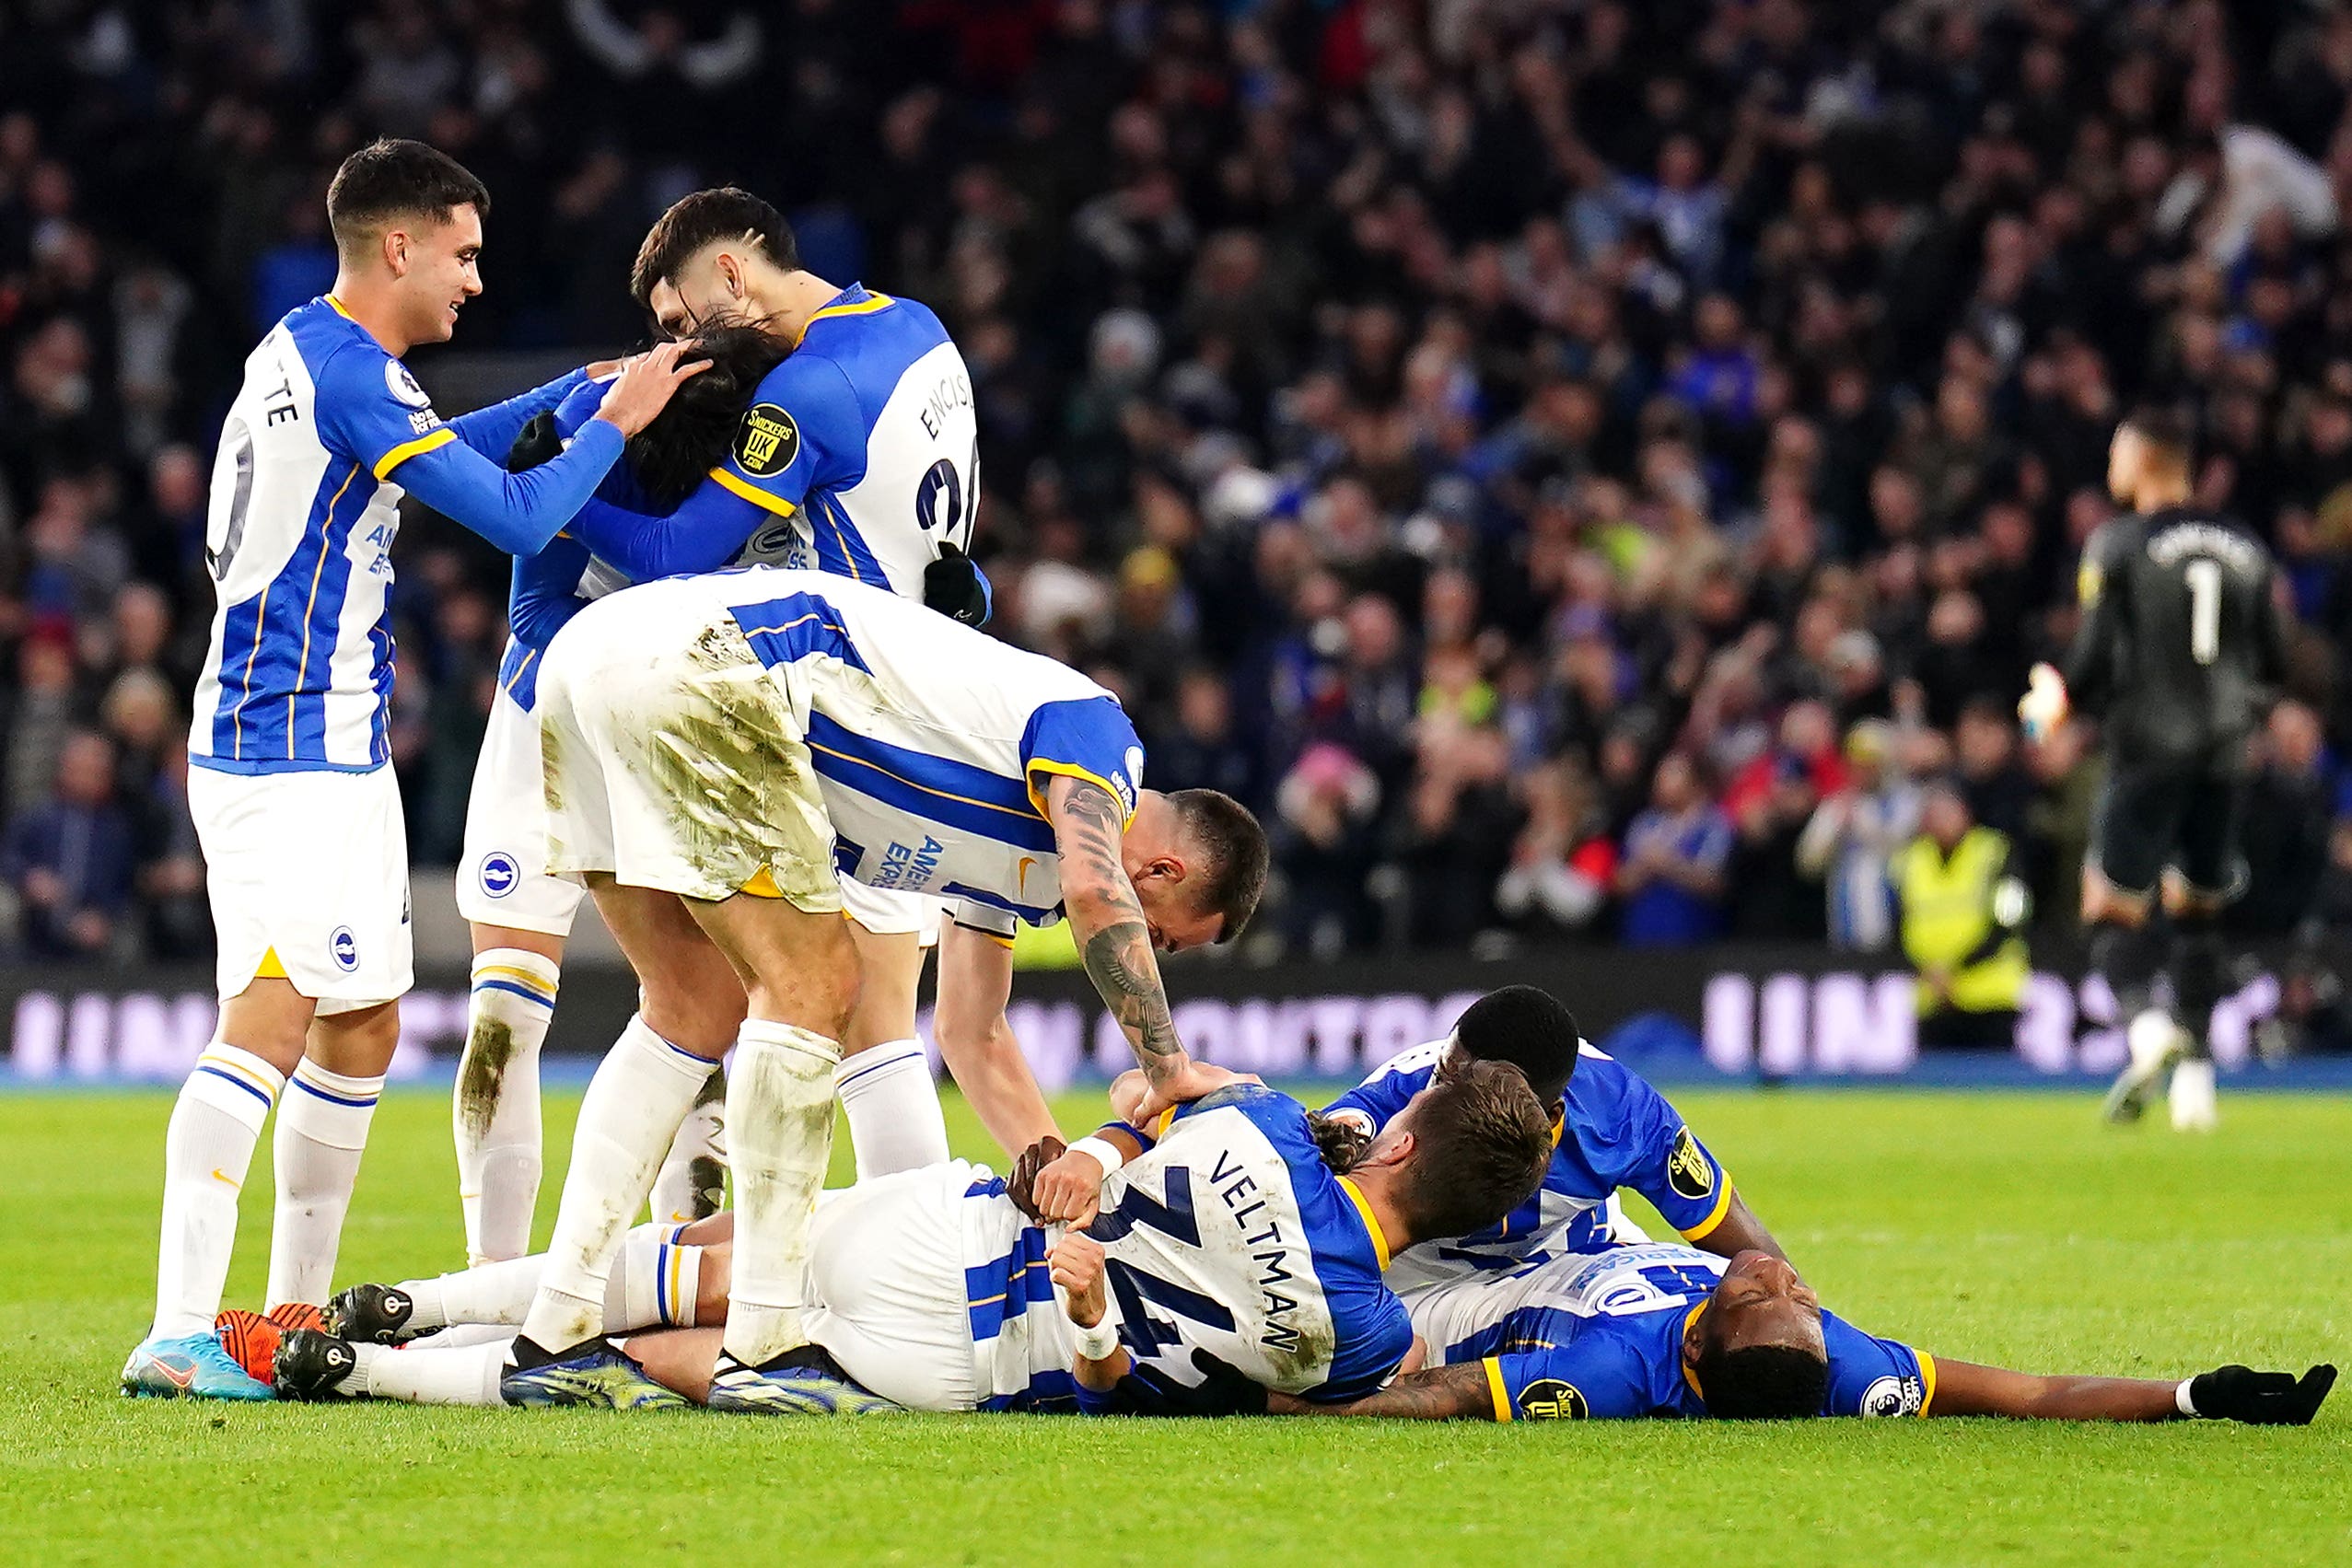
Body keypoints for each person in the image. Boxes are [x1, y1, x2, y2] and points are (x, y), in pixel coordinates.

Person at [122, 138, 704, 1401]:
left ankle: (277, 1317)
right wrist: (608, 423)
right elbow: (511, 516)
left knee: (363, 1018)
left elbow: (443, 447)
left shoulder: (310, 354)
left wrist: (562, 398)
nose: (474, 282)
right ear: (400, 246)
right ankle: (177, 1327)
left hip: (314, 744)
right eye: (463, 253)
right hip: (289, 744)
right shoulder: (347, 376)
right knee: (275, 1013)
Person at [499, 563, 1267, 1412]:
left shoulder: (1025, 852)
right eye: (1162, 932)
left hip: (588, 663)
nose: (1142, 940)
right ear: (1163, 868)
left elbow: (973, 1029)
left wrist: (1063, 1178)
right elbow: (1098, 891)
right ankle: (763, 1342)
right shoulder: (1102, 742)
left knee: (691, 1007)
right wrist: (1167, 1068)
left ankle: (555, 1329)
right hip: (711, 662)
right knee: (817, 985)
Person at [451, 188, 996, 1268]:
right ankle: (530, 1269)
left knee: (805, 1012)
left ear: (733, 277)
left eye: (681, 318)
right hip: (885, 680)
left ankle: (881, 1270)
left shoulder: (788, 402)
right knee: (846, 1014)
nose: (675, 346)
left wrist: (559, 475)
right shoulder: (917, 330)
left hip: (831, 703)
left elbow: (671, 557)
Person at [264, 1071, 1554, 1415]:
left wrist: (1105, 1144)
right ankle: (373, 1375)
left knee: (699, 1254)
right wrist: (1102, 1322)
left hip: (947, 1231)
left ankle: (408, 1304)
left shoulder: (1268, 1118)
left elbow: (1151, 1080)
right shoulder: (1366, 1346)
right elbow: (1196, 1397)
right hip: (982, 1369)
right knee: (678, 1356)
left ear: (1394, 1140)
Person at [1247, 1241, 2335, 1426]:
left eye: (1754, 1286)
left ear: (1695, 1344)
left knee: (1346, 1314)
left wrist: (1296, 1401)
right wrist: (2198, 1392)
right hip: (1604, 1239)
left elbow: (1442, 1396)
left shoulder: (1608, 1370)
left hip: (1485, 1300)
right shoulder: (1838, 1367)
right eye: (1798, 1294)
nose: (1778, 1271)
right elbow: (2032, 1392)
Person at [2020, 406, 2291, 1130]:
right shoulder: (2247, 547)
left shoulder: (2119, 543)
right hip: (2226, 754)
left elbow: (2096, 648)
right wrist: (2239, 715)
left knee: (2108, 905)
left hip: (2148, 747)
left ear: (2143, 461)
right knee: (2199, 910)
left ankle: (2147, 1029)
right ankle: (2197, 1086)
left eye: (2117, 452)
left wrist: (2060, 695)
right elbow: (2277, 663)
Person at [1319, 985, 1785, 1296]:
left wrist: (1806, 1317)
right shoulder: (1403, 1094)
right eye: (1444, 1072)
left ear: (1549, 1115)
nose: (1438, 1095)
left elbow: (1726, 1224)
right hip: (1423, 1280)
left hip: (1576, 1260)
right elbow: (1327, 1151)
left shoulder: (1620, 1114)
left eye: (1462, 1086)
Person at [1891, 781, 2032, 1051]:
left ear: (1965, 813)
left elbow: (2010, 922)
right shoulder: (1909, 860)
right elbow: (1899, 928)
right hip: (1932, 997)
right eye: (1933, 814)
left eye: (1947, 812)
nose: (1940, 821)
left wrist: (1953, 969)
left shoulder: (1995, 852)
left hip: (1989, 995)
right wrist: (1927, 971)